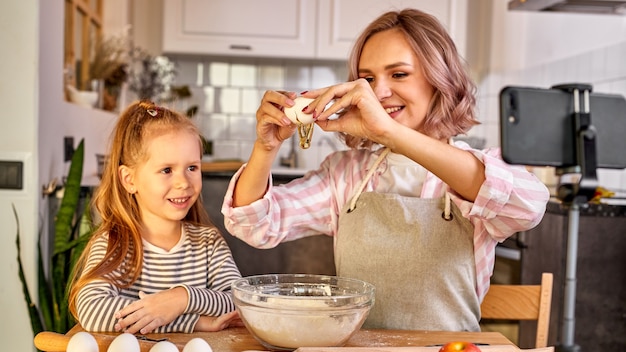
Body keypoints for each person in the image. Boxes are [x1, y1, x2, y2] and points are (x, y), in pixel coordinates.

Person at [221, 9, 550, 332]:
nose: (379, 93)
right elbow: (256, 224)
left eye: (399, 74)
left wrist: (389, 133)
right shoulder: (346, 174)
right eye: (367, 79)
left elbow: (527, 206)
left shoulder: (471, 170)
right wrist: (265, 148)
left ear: (440, 79)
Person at [68, 100, 242, 335]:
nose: (183, 182)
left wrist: (181, 299)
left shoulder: (209, 243)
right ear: (130, 180)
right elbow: (93, 309)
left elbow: (237, 301)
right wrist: (191, 322)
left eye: (192, 168)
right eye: (166, 170)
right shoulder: (115, 244)